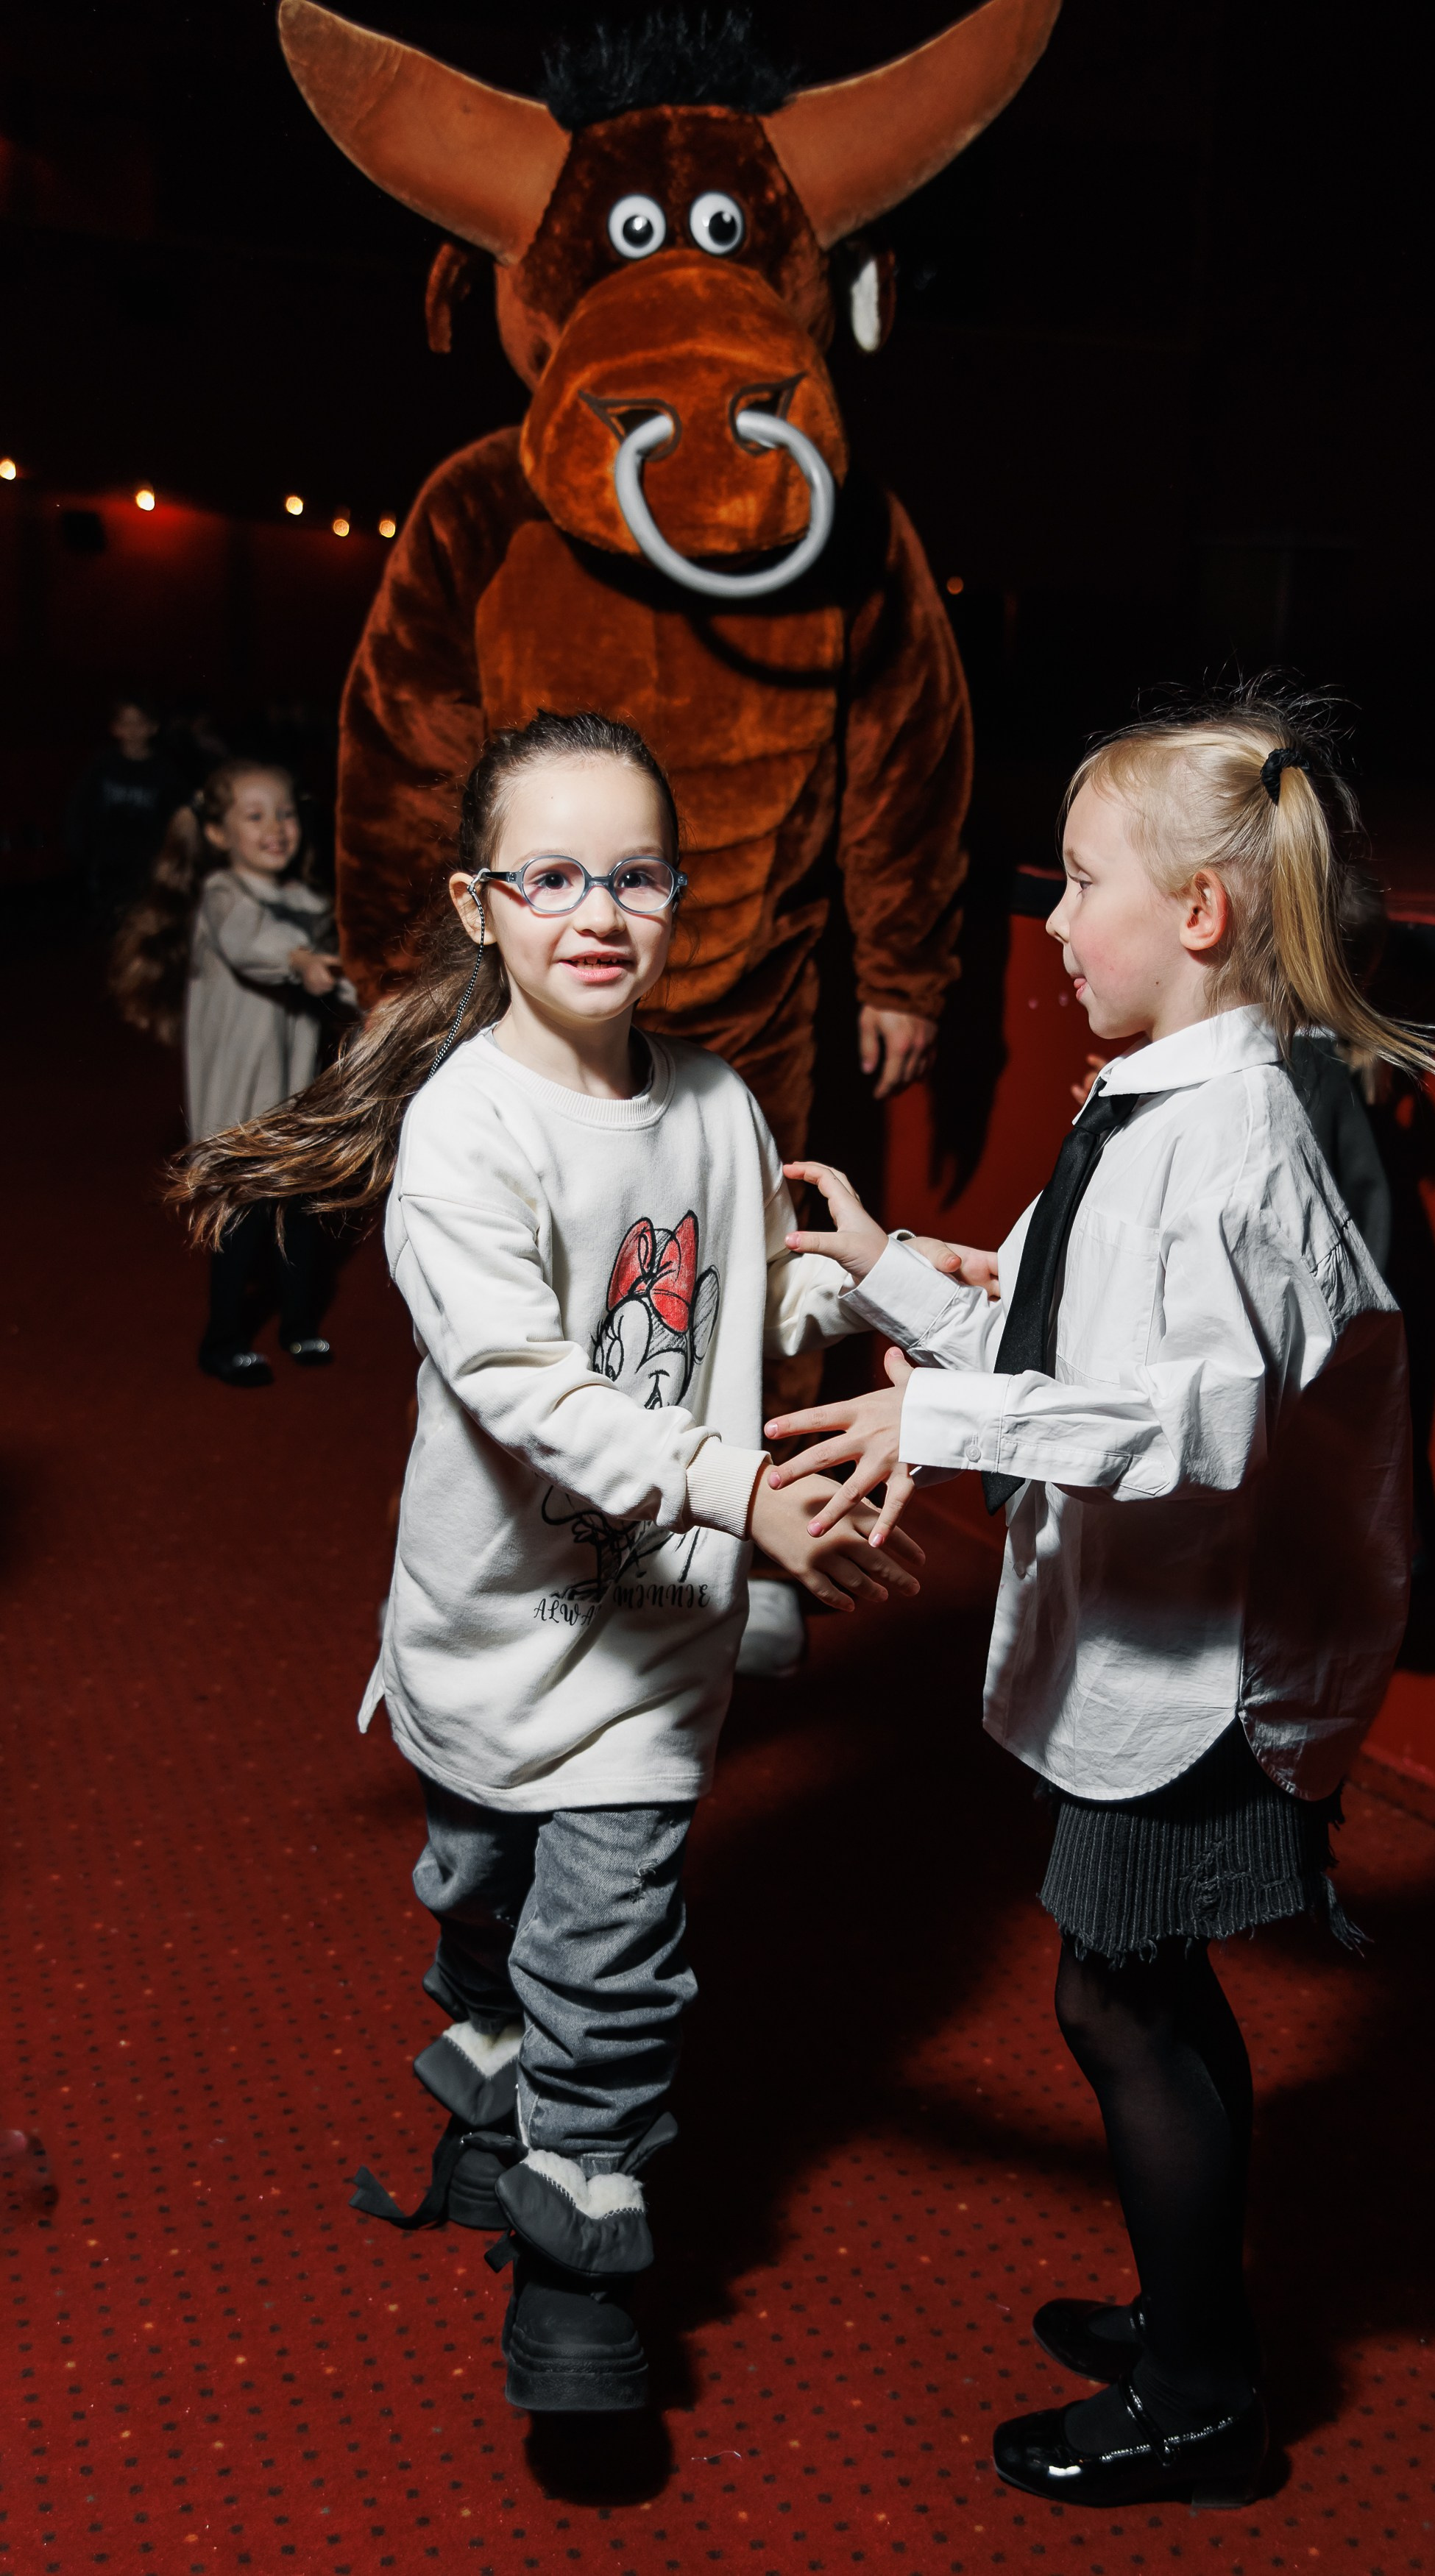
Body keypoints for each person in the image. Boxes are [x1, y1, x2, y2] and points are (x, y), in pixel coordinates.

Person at [764, 683, 1435, 2510]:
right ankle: (1187, 2319)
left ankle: (1205, 2392)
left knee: (1121, 2003)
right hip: (1161, 1639)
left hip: (1207, 1670)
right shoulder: (1165, 1107)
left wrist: (933, 1410)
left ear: (1203, 917)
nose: (1054, 924)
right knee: (1127, 1991)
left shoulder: (1228, 1141)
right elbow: (1085, 1336)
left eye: (1078, 886)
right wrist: (898, 1287)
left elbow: (1193, 1418)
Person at [169, 709, 923, 2415]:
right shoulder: (467, 1131)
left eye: (635, 873)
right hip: (487, 1627)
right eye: (552, 874)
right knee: (481, 1910)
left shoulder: (718, 1101)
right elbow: (521, 1385)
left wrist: (867, 1288)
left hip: (651, 1644)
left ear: (681, 894)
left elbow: (732, 1304)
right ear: (476, 902)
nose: (597, 909)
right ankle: (493, 2098)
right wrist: (741, 1491)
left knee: (611, 1958)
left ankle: (579, 2259)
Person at [111, 760, 352, 1386]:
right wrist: (301, 959)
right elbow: (255, 943)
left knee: (301, 1224)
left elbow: (333, 974)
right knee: (240, 1232)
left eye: (287, 812)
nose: (277, 826)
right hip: (241, 1110)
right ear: (218, 834)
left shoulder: (307, 901)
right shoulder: (224, 896)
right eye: (255, 816)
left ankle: (299, 1325)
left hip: (294, 1104)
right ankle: (222, 1341)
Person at [65, 697, 185, 927]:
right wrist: (80, 845)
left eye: (139, 723)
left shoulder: (164, 769)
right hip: (108, 856)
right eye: (126, 724)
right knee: (110, 919)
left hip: (147, 856)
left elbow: (177, 812)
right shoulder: (103, 764)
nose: (132, 731)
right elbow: (80, 805)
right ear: (115, 728)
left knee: (144, 917)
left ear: (152, 727)